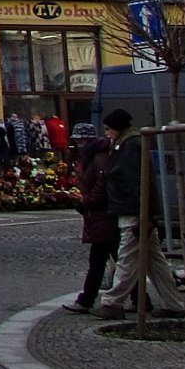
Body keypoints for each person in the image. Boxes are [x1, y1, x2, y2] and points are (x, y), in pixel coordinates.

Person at [96, 109, 183, 318]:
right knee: (155, 261)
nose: (107, 133)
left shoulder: (129, 145)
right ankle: (174, 304)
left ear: (117, 128)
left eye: (108, 129)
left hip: (133, 212)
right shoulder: (126, 143)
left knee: (127, 258)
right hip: (135, 210)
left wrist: (145, 215)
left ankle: (112, 302)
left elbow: (137, 181)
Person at [64, 123, 118, 314]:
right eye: (76, 140)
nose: (78, 144)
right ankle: (138, 299)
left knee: (101, 261)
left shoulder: (99, 158)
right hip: (99, 216)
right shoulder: (93, 157)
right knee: (114, 259)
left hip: (102, 215)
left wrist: (86, 201)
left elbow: (101, 186)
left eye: (81, 140)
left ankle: (87, 300)